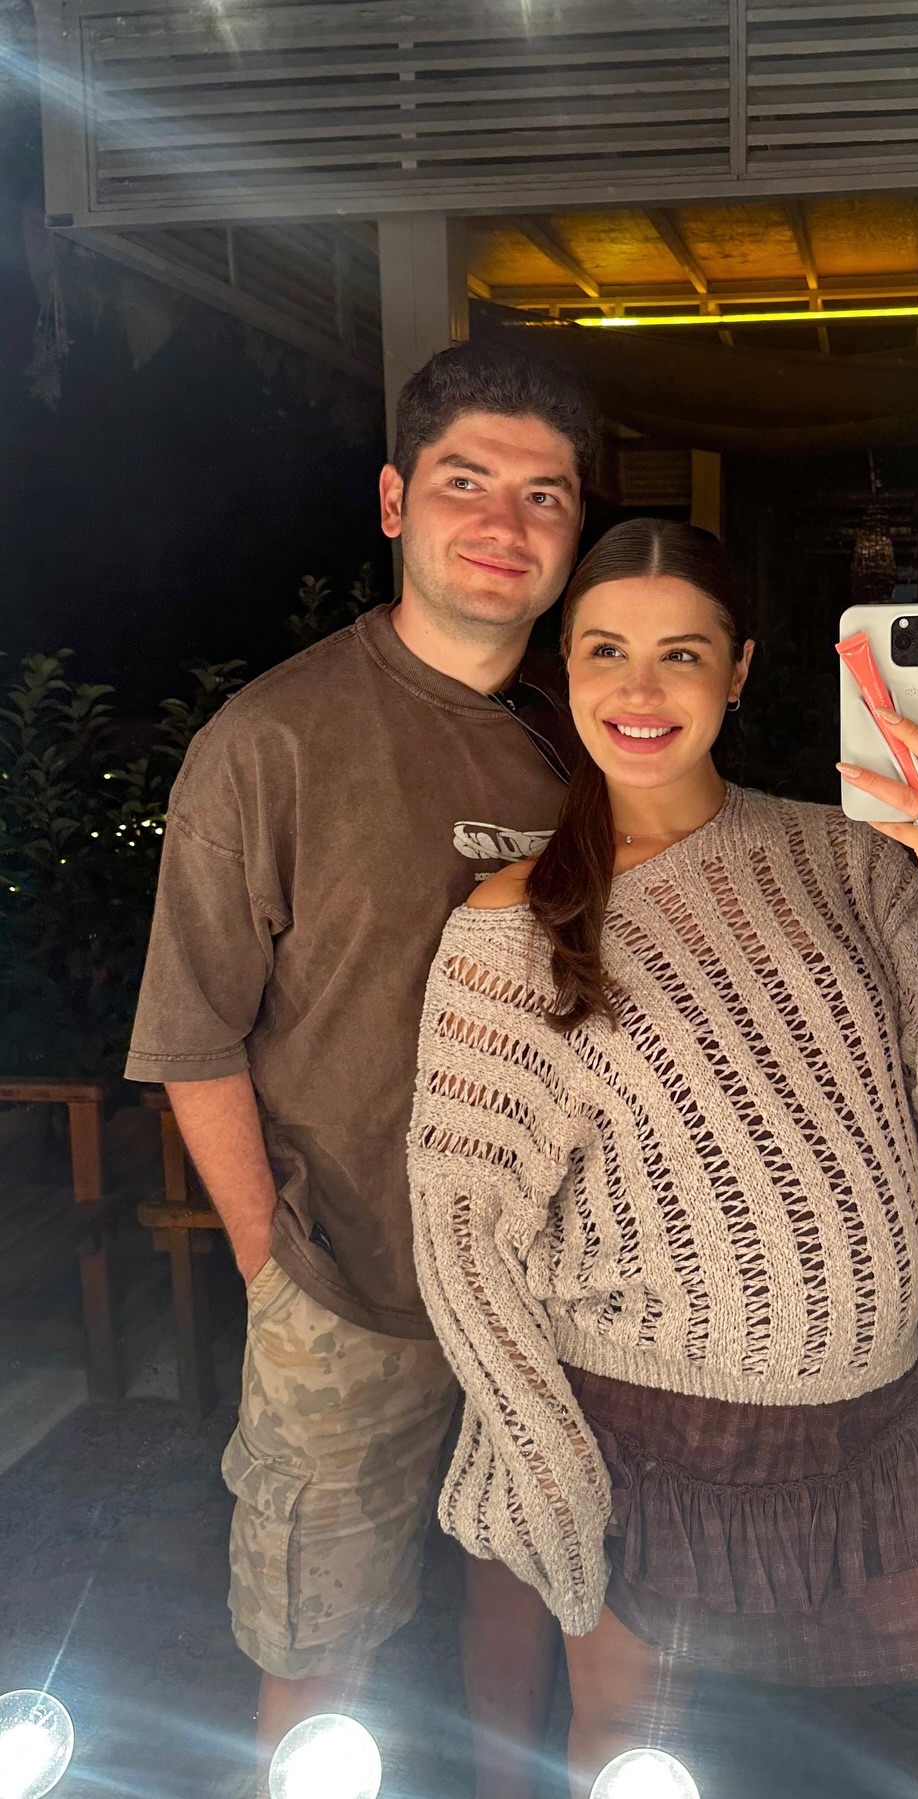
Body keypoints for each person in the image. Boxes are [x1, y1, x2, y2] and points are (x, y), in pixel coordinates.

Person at [409, 518, 918, 1799]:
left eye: (682, 652)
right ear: (564, 666)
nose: (641, 689)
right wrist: (543, 1459)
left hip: (878, 1425)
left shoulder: (844, 854)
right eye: (607, 650)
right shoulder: (512, 923)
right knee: (630, 1759)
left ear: (741, 669)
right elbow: (463, 1228)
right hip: (649, 1437)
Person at [125, 340, 598, 1797]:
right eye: (468, 481)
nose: (505, 523)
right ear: (395, 500)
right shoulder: (272, 738)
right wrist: (272, 1263)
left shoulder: (587, 744)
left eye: (544, 494)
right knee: (317, 1628)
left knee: (527, 1579)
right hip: (345, 1281)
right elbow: (193, 1033)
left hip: (546, 1282)